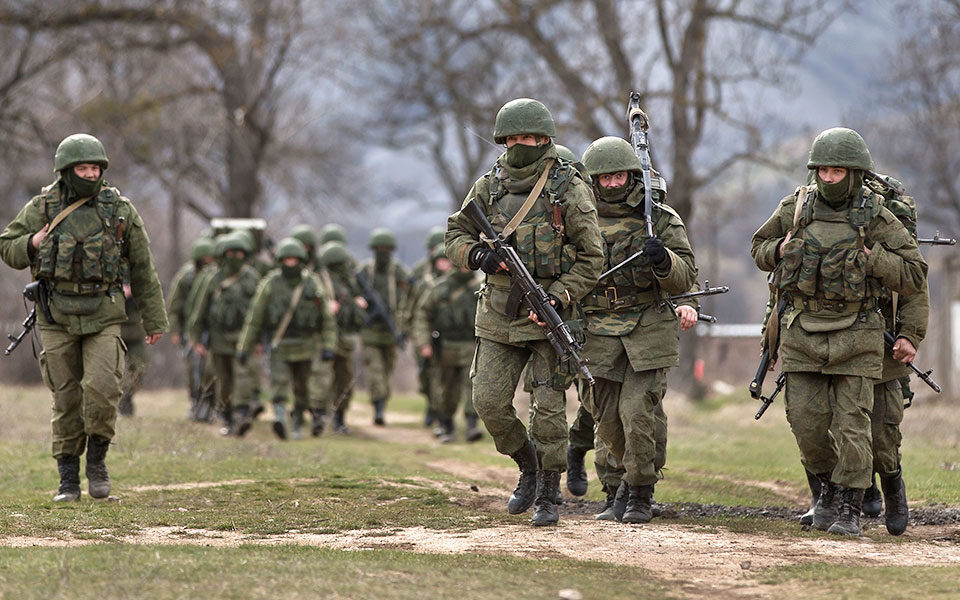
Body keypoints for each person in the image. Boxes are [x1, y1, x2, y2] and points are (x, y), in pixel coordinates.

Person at [751, 127, 927, 536]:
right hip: (802, 332)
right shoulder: (795, 207)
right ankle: (826, 492)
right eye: (822, 170)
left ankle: (851, 507)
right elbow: (759, 247)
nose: (828, 178)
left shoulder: (876, 215)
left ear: (855, 173)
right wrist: (778, 250)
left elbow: (915, 273)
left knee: (855, 425)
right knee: (806, 422)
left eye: (837, 171)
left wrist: (873, 258)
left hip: (859, 331)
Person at [445, 97, 603, 526]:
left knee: (549, 410)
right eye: (511, 138)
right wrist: (477, 255)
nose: (519, 145)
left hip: (550, 314)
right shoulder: (489, 185)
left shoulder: (567, 187)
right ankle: (527, 465)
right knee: (488, 402)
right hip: (498, 315)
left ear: (545, 140)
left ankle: (549, 494)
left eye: (527, 138)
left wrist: (559, 296)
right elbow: (455, 232)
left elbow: (593, 255)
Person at [0, 133, 167, 501]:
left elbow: (143, 267)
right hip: (56, 314)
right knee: (66, 397)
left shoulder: (119, 209)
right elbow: (7, 247)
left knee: (104, 389)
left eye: (95, 168)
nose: (90, 174)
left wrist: (154, 320)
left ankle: (97, 461)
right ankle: (68, 479)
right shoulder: (43, 207)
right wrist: (33, 243)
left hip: (104, 313)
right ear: (66, 170)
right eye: (83, 168)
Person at [575, 136, 698, 523]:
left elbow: (686, 275)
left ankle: (641, 492)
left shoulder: (659, 216)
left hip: (647, 324)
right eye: (604, 178)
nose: (612, 184)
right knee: (605, 414)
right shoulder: (578, 217)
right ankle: (617, 489)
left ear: (631, 175)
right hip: (596, 327)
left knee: (637, 411)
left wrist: (663, 260)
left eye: (618, 176)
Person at [237, 238, 337, 439]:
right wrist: (244, 346)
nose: (290, 263)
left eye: (294, 259)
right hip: (279, 344)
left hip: (306, 344)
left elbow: (326, 319)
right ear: (280, 260)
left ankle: (298, 424)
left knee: (302, 388)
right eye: (286, 259)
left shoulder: (312, 283)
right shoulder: (270, 284)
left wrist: (329, 345)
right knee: (279, 384)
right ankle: (280, 419)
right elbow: (254, 319)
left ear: (300, 260)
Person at [187, 233, 262, 436]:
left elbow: (260, 310)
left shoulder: (252, 277)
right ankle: (228, 418)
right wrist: (195, 338)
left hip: (243, 337)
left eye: (239, 252)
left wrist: (260, 339)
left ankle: (241, 415)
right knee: (224, 381)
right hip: (218, 338)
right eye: (231, 252)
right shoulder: (213, 278)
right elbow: (200, 309)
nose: (235, 256)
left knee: (243, 377)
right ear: (223, 254)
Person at [412, 246, 484, 443]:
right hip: (445, 346)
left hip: (470, 344)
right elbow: (422, 316)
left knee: (472, 386)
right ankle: (446, 425)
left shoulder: (480, 287)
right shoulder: (440, 288)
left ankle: (471, 425)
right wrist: (423, 343)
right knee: (446, 388)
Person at [358, 227, 409, 426]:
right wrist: (361, 303)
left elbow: (408, 297)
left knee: (386, 371)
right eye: (379, 248)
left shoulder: (398, 272)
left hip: (391, 331)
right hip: (370, 332)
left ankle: (382, 402)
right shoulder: (365, 272)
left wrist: (403, 326)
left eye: (386, 248)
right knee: (376, 371)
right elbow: (354, 290)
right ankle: (378, 407)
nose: (382, 252)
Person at [317, 240, 367, 434]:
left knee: (344, 381)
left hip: (345, 340)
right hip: (325, 340)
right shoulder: (321, 282)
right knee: (321, 379)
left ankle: (339, 418)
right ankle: (319, 414)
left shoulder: (349, 283)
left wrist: (357, 305)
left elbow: (359, 318)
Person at [402, 226, 447, 428]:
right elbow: (410, 301)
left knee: (441, 374)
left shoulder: (452, 271)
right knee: (424, 373)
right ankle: (431, 404)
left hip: (443, 331)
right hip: (421, 329)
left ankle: (439, 411)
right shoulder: (420, 270)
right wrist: (406, 327)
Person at [167, 236, 215, 419]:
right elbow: (175, 306)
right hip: (190, 330)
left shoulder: (216, 276)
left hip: (210, 332)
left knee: (209, 371)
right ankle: (195, 402)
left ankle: (209, 405)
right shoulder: (186, 277)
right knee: (192, 369)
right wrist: (175, 331)